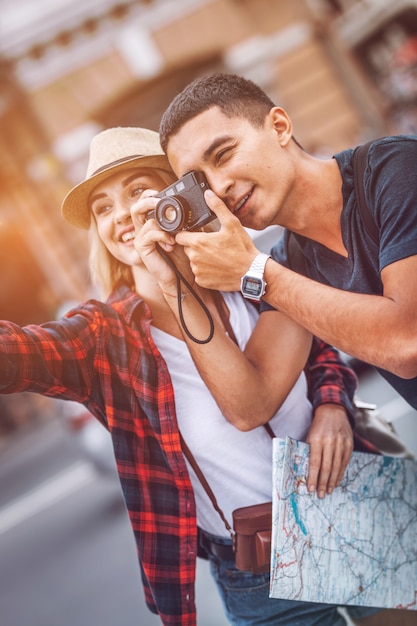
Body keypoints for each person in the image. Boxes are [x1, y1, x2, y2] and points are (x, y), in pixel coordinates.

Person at [0, 126, 390, 626]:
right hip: (256, 569)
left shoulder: (251, 274)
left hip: (353, 500)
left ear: (182, 196)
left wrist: (334, 403)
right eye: (103, 207)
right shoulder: (102, 337)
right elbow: (19, 352)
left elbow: (316, 347)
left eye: (139, 190)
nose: (124, 215)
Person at [158, 72, 417, 411]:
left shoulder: (396, 167)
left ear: (279, 127)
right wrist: (171, 281)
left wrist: (254, 272)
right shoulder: (290, 262)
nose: (218, 187)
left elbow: (407, 340)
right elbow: (253, 404)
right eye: (200, 182)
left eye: (223, 154)